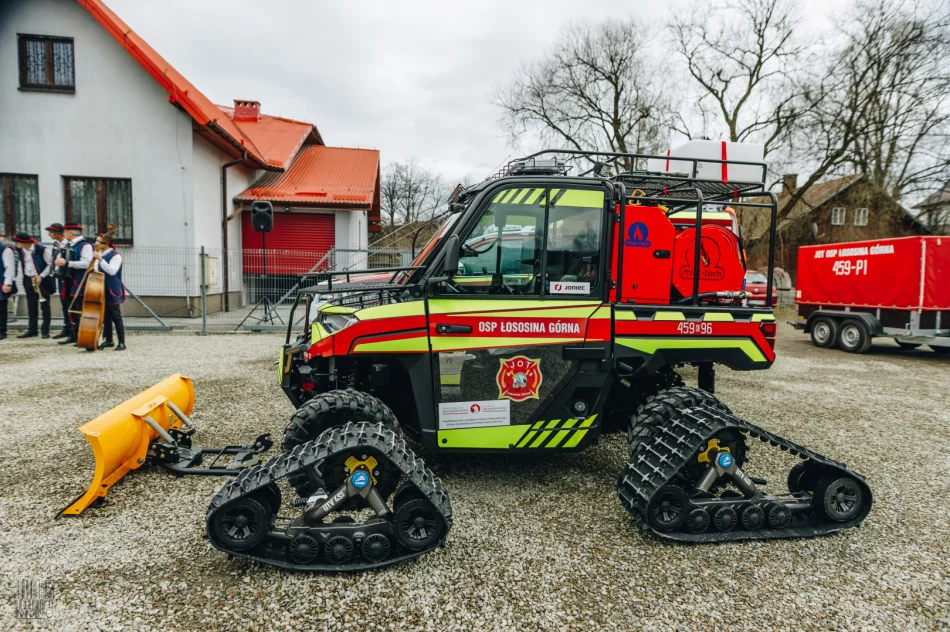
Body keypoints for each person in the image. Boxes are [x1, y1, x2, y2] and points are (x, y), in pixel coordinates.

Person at [54, 224, 93, 345]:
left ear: (72, 233)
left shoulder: (85, 245)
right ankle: (73, 334)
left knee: (79, 309)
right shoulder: (69, 244)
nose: (63, 234)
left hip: (80, 282)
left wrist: (67, 263)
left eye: (65, 231)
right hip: (70, 280)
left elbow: (87, 263)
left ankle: (83, 336)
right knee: (71, 309)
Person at [13, 233, 54, 338]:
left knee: (45, 306)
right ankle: (32, 330)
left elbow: (51, 264)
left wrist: (41, 276)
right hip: (28, 279)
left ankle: (45, 331)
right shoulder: (20, 250)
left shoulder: (41, 250)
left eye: (17, 242)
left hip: (42, 279)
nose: (15, 244)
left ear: (24, 242)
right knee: (31, 306)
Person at [92, 232, 126, 351]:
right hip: (101, 288)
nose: (95, 243)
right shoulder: (99, 255)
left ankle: (122, 342)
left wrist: (100, 259)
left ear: (105, 243)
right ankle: (108, 339)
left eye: (97, 241)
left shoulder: (115, 256)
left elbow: (112, 271)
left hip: (112, 288)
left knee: (116, 315)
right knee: (105, 316)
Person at [46, 223, 71, 340]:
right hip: (59, 276)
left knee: (69, 303)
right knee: (63, 304)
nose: (49, 234)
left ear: (58, 233)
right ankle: (67, 328)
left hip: (68, 277)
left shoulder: (68, 244)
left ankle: (72, 330)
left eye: (51, 232)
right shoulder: (56, 244)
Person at [0, 236, 18, 340]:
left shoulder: (5, 249)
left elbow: (10, 267)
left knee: (1, 308)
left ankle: (2, 331)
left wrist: (7, 283)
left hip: (1, 281)